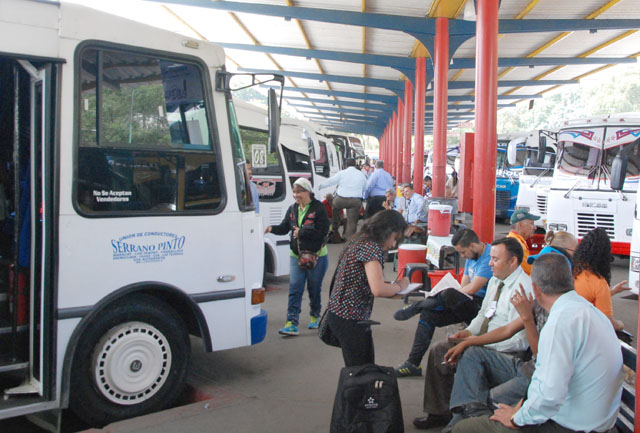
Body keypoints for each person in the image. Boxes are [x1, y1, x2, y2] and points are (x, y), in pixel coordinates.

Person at [454, 253, 624, 433]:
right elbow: (546, 378)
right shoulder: (586, 310)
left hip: (569, 426)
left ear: (535, 289)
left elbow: (549, 395)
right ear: (571, 282)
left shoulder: (560, 322)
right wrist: (521, 407)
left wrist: (516, 418)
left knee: (465, 428)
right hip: (594, 419)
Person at [442, 246, 575, 432]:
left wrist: (527, 318)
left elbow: (545, 370)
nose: (490, 264)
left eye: (495, 259)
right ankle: (466, 418)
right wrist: (470, 338)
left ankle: (464, 423)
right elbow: (506, 328)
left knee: (485, 399)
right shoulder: (543, 303)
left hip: (535, 376)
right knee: (469, 355)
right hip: (528, 368)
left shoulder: (562, 316)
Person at [413, 237, 532, 430]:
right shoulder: (496, 281)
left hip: (503, 351)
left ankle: (467, 415)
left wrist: (478, 343)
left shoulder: (522, 288)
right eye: (490, 258)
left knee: (470, 354)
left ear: (513, 262)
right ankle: (438, 412)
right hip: (482, 341)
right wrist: (468, 333)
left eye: (495, 259)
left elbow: (518, 341)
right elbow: (483, 315)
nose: (490, 264)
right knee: (439, 350)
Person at [392, 229, 492, 378]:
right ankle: (413, 363)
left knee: (449, 294)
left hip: (481, 307)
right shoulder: (473, 255)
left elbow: (472, 288)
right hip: (466, 301)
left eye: (463, 253)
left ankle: (418, 306)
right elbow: (464, 284)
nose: (463, 257)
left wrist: (453, 293)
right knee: (429, 314)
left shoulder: (488, 257)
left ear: (472, 246)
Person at [325, 210, 410, 366]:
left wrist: (391, 288)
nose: (393, 244)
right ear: (387, 231)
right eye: (395, 238)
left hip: (342, 315)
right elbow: (377, 288)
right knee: (360, 373)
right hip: (350, 319)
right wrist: (400, 286)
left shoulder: (360, 240)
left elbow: (368, 281)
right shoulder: (371, 248)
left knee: (358, 370)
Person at [265, 178, 331, 336]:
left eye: (299, 192)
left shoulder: (319, 209)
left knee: (314, 288)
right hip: (296, 255)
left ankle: (315, 316)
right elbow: (284, 227)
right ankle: (291, 322)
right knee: (295, 288)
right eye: (294, 192)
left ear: (308, 191)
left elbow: (324, 232)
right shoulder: (293, 209)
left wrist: (302, 232)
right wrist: (271, 228)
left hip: (317, 257)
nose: (296, 195)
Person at [572, 227, 628, 331]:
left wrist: (612, 292)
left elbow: (585, 298)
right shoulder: (598, 282)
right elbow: (608, 322)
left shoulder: (570, 269)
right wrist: (621, 325)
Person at [319, 158, 367, 240]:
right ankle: (349, 238)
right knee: (352, 222)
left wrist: (320, 186)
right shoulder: (361, 174)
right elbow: (365, 188)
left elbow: (331, 181)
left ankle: (334, 227)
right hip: (355, 201)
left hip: (340, 199)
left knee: (335, 208)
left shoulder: (341, 173)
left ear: (346, 165)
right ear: (355, 165)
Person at [506, 209, 539, 275]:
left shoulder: (511, 239)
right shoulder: (517, 244)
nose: (535, 228)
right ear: (520, 225)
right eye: (531, 224)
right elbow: (531, 270)